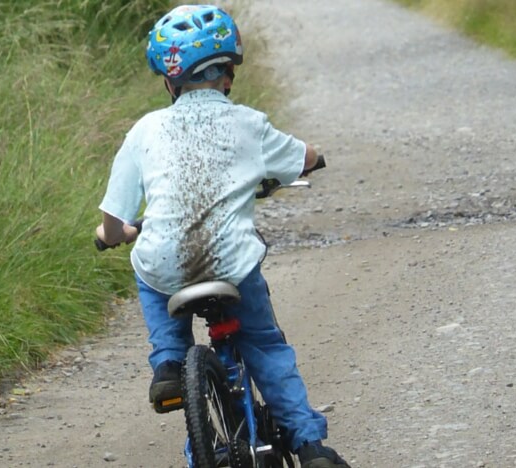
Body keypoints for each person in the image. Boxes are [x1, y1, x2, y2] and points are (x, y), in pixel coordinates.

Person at [95, 5, 350, 468]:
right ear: (228, 74)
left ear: (169, 82)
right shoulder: (248, 124)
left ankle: (170, 367)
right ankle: (310, 445)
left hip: (165, 265)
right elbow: (302, 156)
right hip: (231, 263)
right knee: (266, 346)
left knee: (150, 275)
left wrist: (114, 234)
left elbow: (114, 217)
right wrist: (315, 158)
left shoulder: (145, 130)